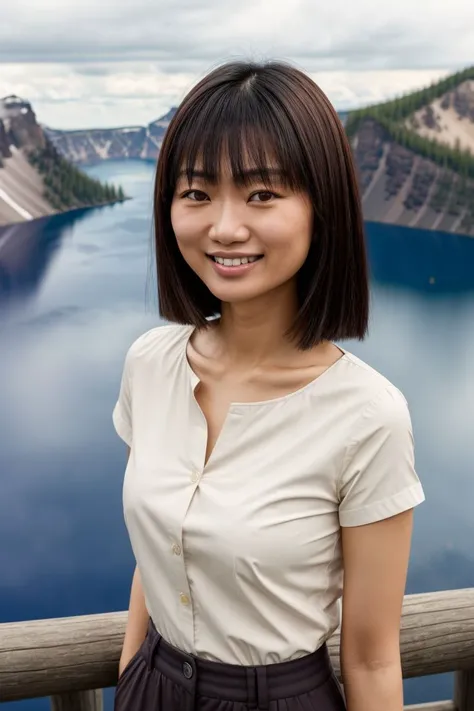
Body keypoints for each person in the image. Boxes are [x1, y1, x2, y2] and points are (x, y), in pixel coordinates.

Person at [111, 58, 425, 711]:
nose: (224, 226)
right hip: (152, 687)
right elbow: (161, 547)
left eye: (262, 194)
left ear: (322, 207)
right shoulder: (150, 364)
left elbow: (370, 656)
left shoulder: (367, 413)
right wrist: (130, 675)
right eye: (196, 193)